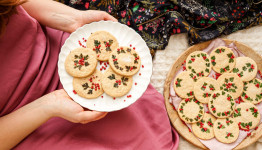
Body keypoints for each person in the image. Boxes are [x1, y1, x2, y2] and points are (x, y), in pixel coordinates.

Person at [0, 0, 178, 149]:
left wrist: (72, 19)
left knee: (147, 131)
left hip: (63, 54)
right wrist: (48, 106)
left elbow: (17, 3)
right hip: (26, 119)